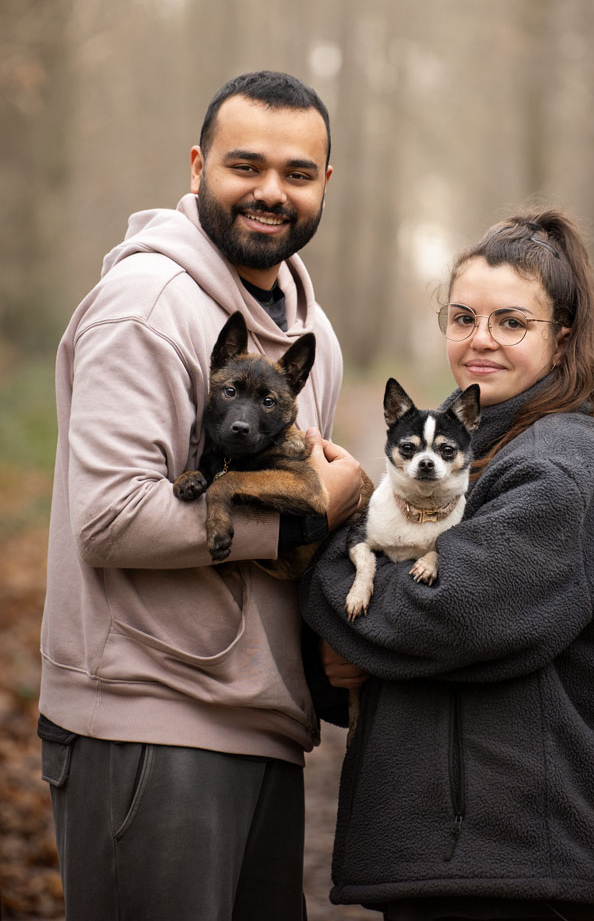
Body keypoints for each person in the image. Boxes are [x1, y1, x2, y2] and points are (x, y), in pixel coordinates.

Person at [38, 70, 365, 921]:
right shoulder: (146, 306)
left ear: (325, 183)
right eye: (244, 165)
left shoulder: (310, 335)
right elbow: (109, 517)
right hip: (147, 721)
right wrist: (308, 509)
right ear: (196, 165)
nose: (270, 191)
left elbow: (305, 503)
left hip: (264, 720)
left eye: (297, 173)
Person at [301, 210, 594, 921]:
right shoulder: (479, 446)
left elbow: (446, 612)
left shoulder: (560, 466)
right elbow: (390, 632)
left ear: (562, 333)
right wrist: (346, 655)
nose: (480, 338)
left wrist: (333, 539)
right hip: (461, 852)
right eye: (463, 317)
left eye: (511, 321)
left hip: (514, 857)